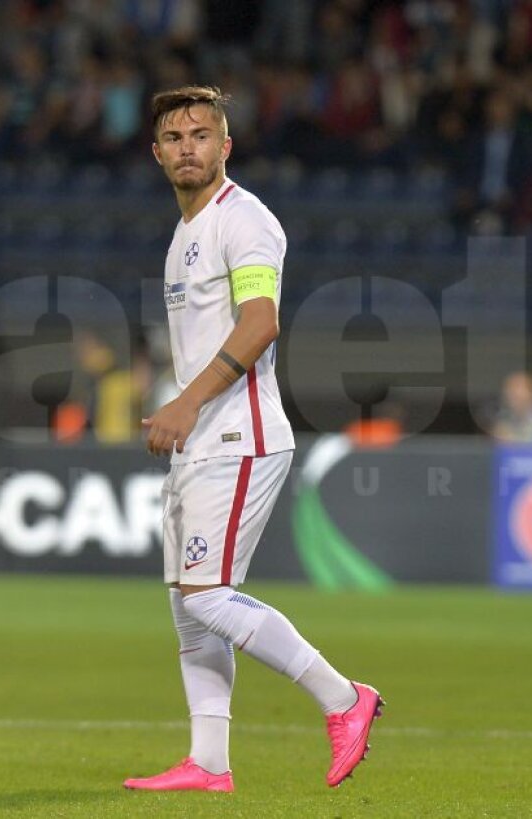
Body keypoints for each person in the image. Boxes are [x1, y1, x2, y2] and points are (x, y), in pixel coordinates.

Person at [123, 86, 383, 794]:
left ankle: (344, 697)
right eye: (174, 137)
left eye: (201, 134)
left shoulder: (246, 220)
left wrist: (185, 401)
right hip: (202, 436)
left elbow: (260, 322)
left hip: (240, 430)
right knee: (188, 604)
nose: (187, 147)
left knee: (208, 595)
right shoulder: (184, 233)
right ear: (157, 153)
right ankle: (209, 762)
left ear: (226, 146)